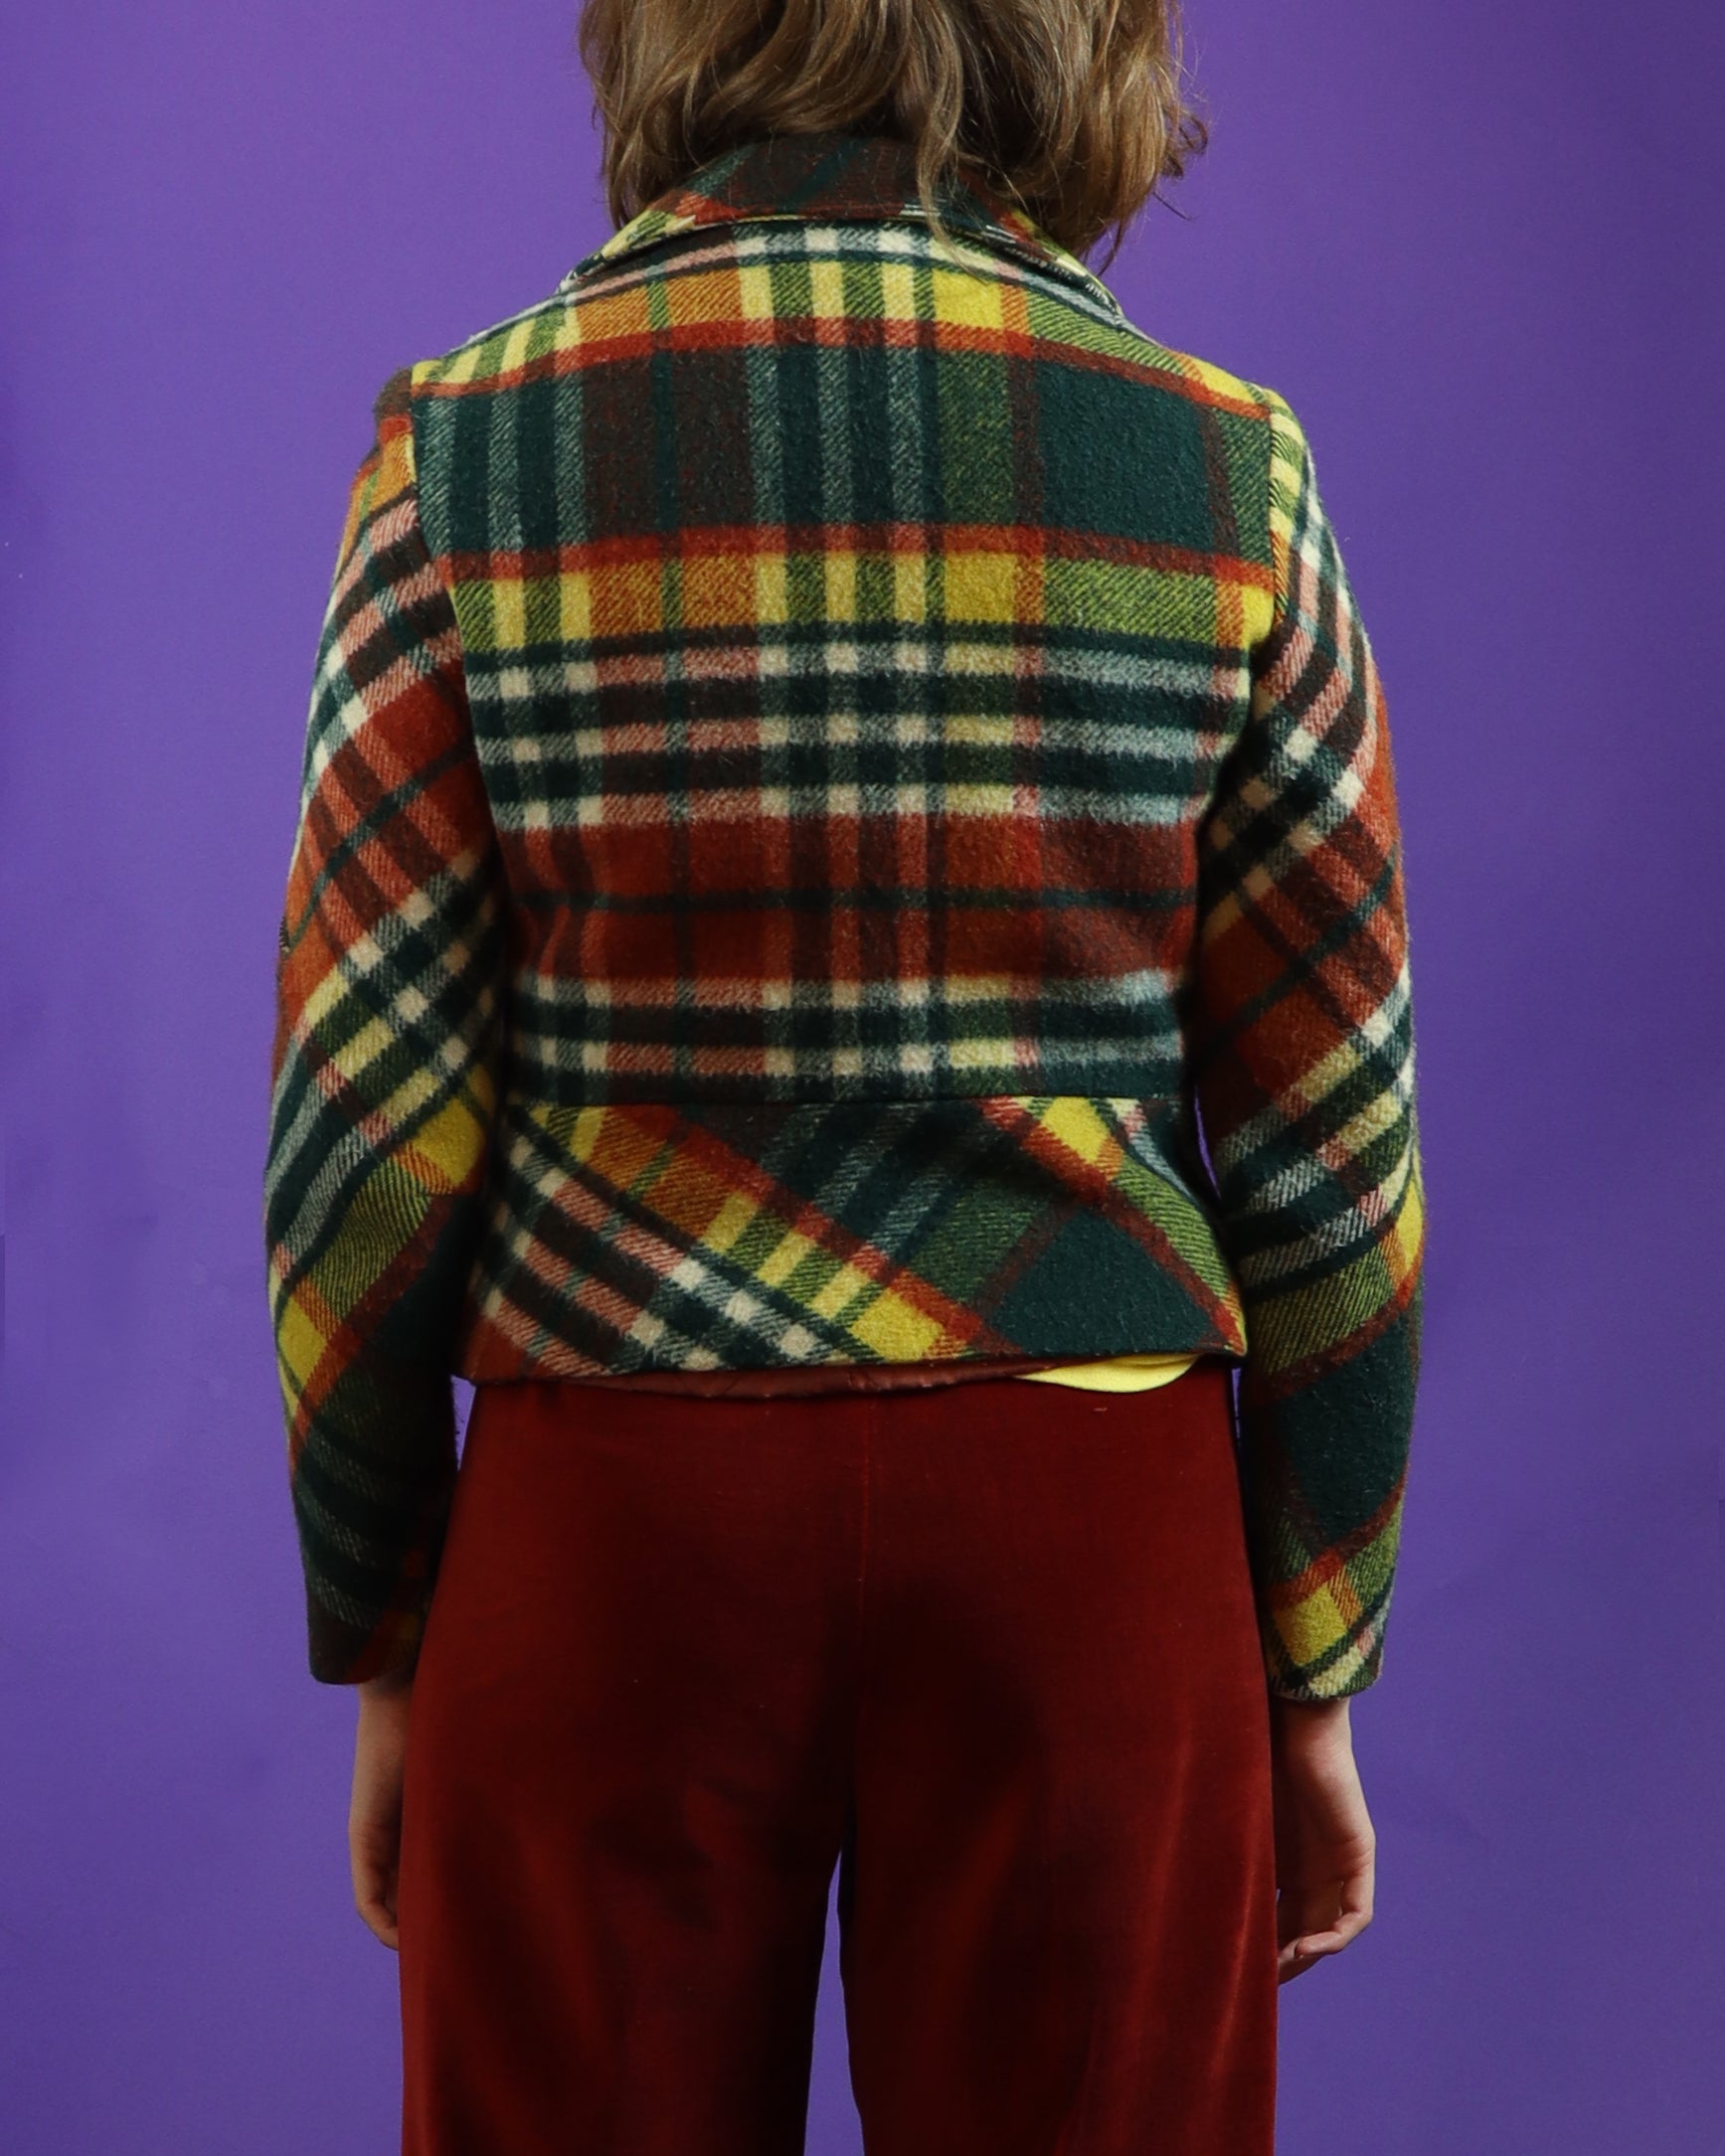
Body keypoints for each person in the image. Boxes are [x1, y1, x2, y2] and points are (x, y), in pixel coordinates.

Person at [262, 1, 1426, 2147]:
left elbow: (364, 1124)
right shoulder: (1222, 466)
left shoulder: (465, 448)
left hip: (611, 1507)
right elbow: (1330, 1137)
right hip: (1088, 1526)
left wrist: (388, 1622)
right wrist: (1313, 1653)